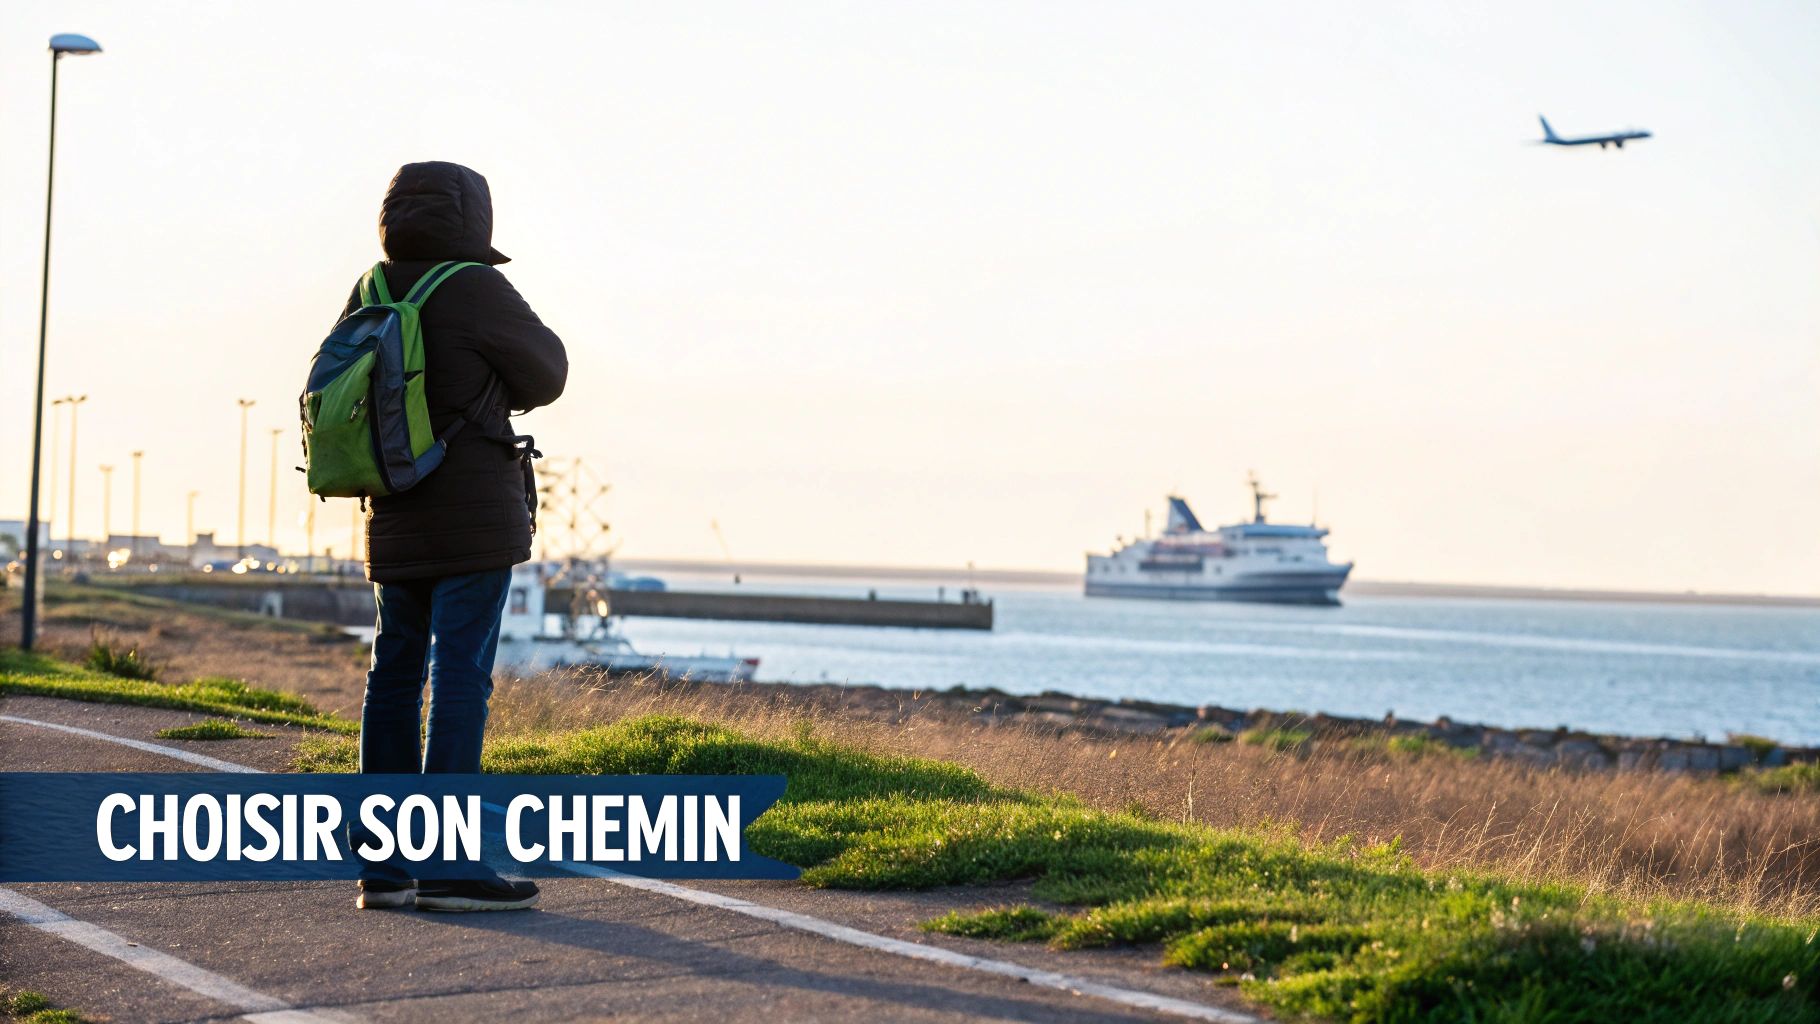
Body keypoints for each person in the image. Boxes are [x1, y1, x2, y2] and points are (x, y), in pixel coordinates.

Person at [340, 161, 567, 911]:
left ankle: (385, 865)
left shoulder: (371, 289)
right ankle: (449, 863)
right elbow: (547, 373)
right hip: (469, 518)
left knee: (394, 677)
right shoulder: (473, 286)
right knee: (460, 675)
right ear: (474, 221)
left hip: (392, 515)